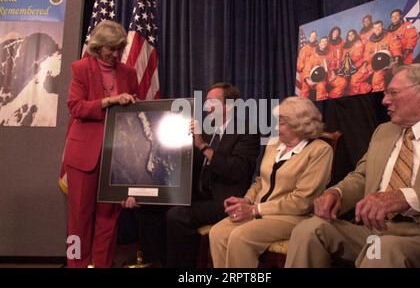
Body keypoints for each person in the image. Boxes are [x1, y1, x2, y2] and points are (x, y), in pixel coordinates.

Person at [285, 63, 420, 268]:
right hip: (376, 230)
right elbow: (362, 176)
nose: (384, 100)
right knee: (309, 229)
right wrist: (337, 193)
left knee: (382, 250)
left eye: (393, 93)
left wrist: (406, 197)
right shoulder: (384, 131)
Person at [129, 83, 260, 267]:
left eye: (212, 102)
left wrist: (202, 146)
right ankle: (158, 262)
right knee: (150, 209)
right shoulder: (206, 131)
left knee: (178, 216)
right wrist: (148, 193)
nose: (207, 107)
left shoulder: (246, 130)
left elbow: (238, 171)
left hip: (224, 199)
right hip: (197, 195)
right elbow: (179, 166)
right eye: (206, 102)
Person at [209, 96, 333, 268]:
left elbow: (302, 202)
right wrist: (247, 200)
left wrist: (255, 210)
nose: (275, 127)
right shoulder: (274, 144)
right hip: (261, 211)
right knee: (217, 232)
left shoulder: (320, 150)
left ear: (299, 125)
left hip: (295, 216)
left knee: (240, 237)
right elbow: (261, 180)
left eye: (281, 123)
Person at [63, 20, 138, 268]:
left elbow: (136, 113)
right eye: (111, 49)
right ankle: (76, 266)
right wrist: (110, 101)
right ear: (98, 46)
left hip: (117, 158)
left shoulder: (129, 73)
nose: (115, 55)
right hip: (84, 156)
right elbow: (76, 106)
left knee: (109, 220)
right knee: (79, 221)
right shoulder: (81, 68)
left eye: (119, 49)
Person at [362, 20, 402, 92]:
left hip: (387, 63)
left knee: (377, 78)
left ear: (383, 26)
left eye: (379, 27)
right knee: (356, 78)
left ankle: (378, 95)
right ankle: (370, 91)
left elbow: (396, 48)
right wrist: (364, 66)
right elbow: (367, 54)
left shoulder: (390, 36)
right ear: (373, 29)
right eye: (375, 27)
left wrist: (396, 61)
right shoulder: (370, 41)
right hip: (372, 64)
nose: (377, 29)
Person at [338, 29, 371, 96]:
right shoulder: (345, 45)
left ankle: (368, 88)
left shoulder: (358, 43)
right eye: (349, 35)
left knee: (353, 81)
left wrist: (348, 62)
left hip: (358, 65)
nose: (350, 36)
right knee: (343, 81)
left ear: (355, 35)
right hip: (348, 67)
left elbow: (357, 56)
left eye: (352, 34)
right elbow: (343, 58)